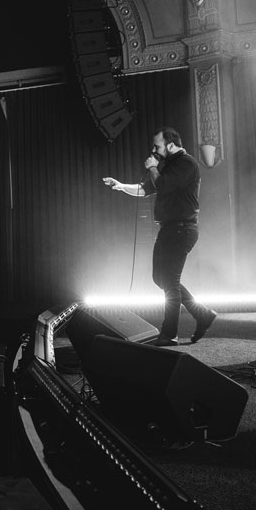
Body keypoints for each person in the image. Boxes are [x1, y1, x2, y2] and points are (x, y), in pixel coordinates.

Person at [102, 126, 217, 346]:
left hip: (182, 229)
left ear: (171, 145)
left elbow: (162, 186)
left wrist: (153, 167)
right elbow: (146, 189)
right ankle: (202, 314)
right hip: (170, 229)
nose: (154, 150)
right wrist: (121, 186)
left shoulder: (187, 164)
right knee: (160, 279)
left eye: (157, 146)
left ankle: (170, 334)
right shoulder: (169, 166)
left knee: (170, 281)